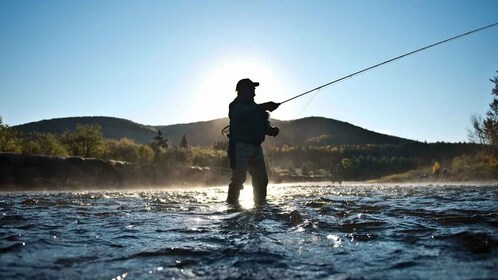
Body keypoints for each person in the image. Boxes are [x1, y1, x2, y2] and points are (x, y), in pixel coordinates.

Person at [226, 78, 280, 204]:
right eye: (251, 89)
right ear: (242, 90)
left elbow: (264, 126)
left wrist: (272, 131)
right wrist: (265, 106)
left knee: (261, 181)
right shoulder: (235, 106)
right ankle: (231, 208)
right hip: (239, 147)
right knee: (238, 180)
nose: (254, 93)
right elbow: (242, 114)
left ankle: (260, 207)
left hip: (256, 148)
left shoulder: (257, 109)